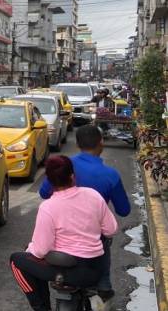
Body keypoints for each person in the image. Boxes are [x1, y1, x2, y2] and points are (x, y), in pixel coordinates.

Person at [11, 155, 118, 311]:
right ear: (72, 176)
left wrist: (30, 248)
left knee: (17, 260)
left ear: (49, 180)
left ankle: (42, 307)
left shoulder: (48, 207)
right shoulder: (93, 195)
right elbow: (111, 229)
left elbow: (41, 251)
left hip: (66, 272)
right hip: (95, 270)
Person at [38, 125, 130, 301]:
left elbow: (43, 193)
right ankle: (103, 286)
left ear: (78, 144)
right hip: (92, 243)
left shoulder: (63, 166)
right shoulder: (110, 175)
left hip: (61, 239)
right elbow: (124, 211)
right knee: (104, 239)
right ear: (101, 143)